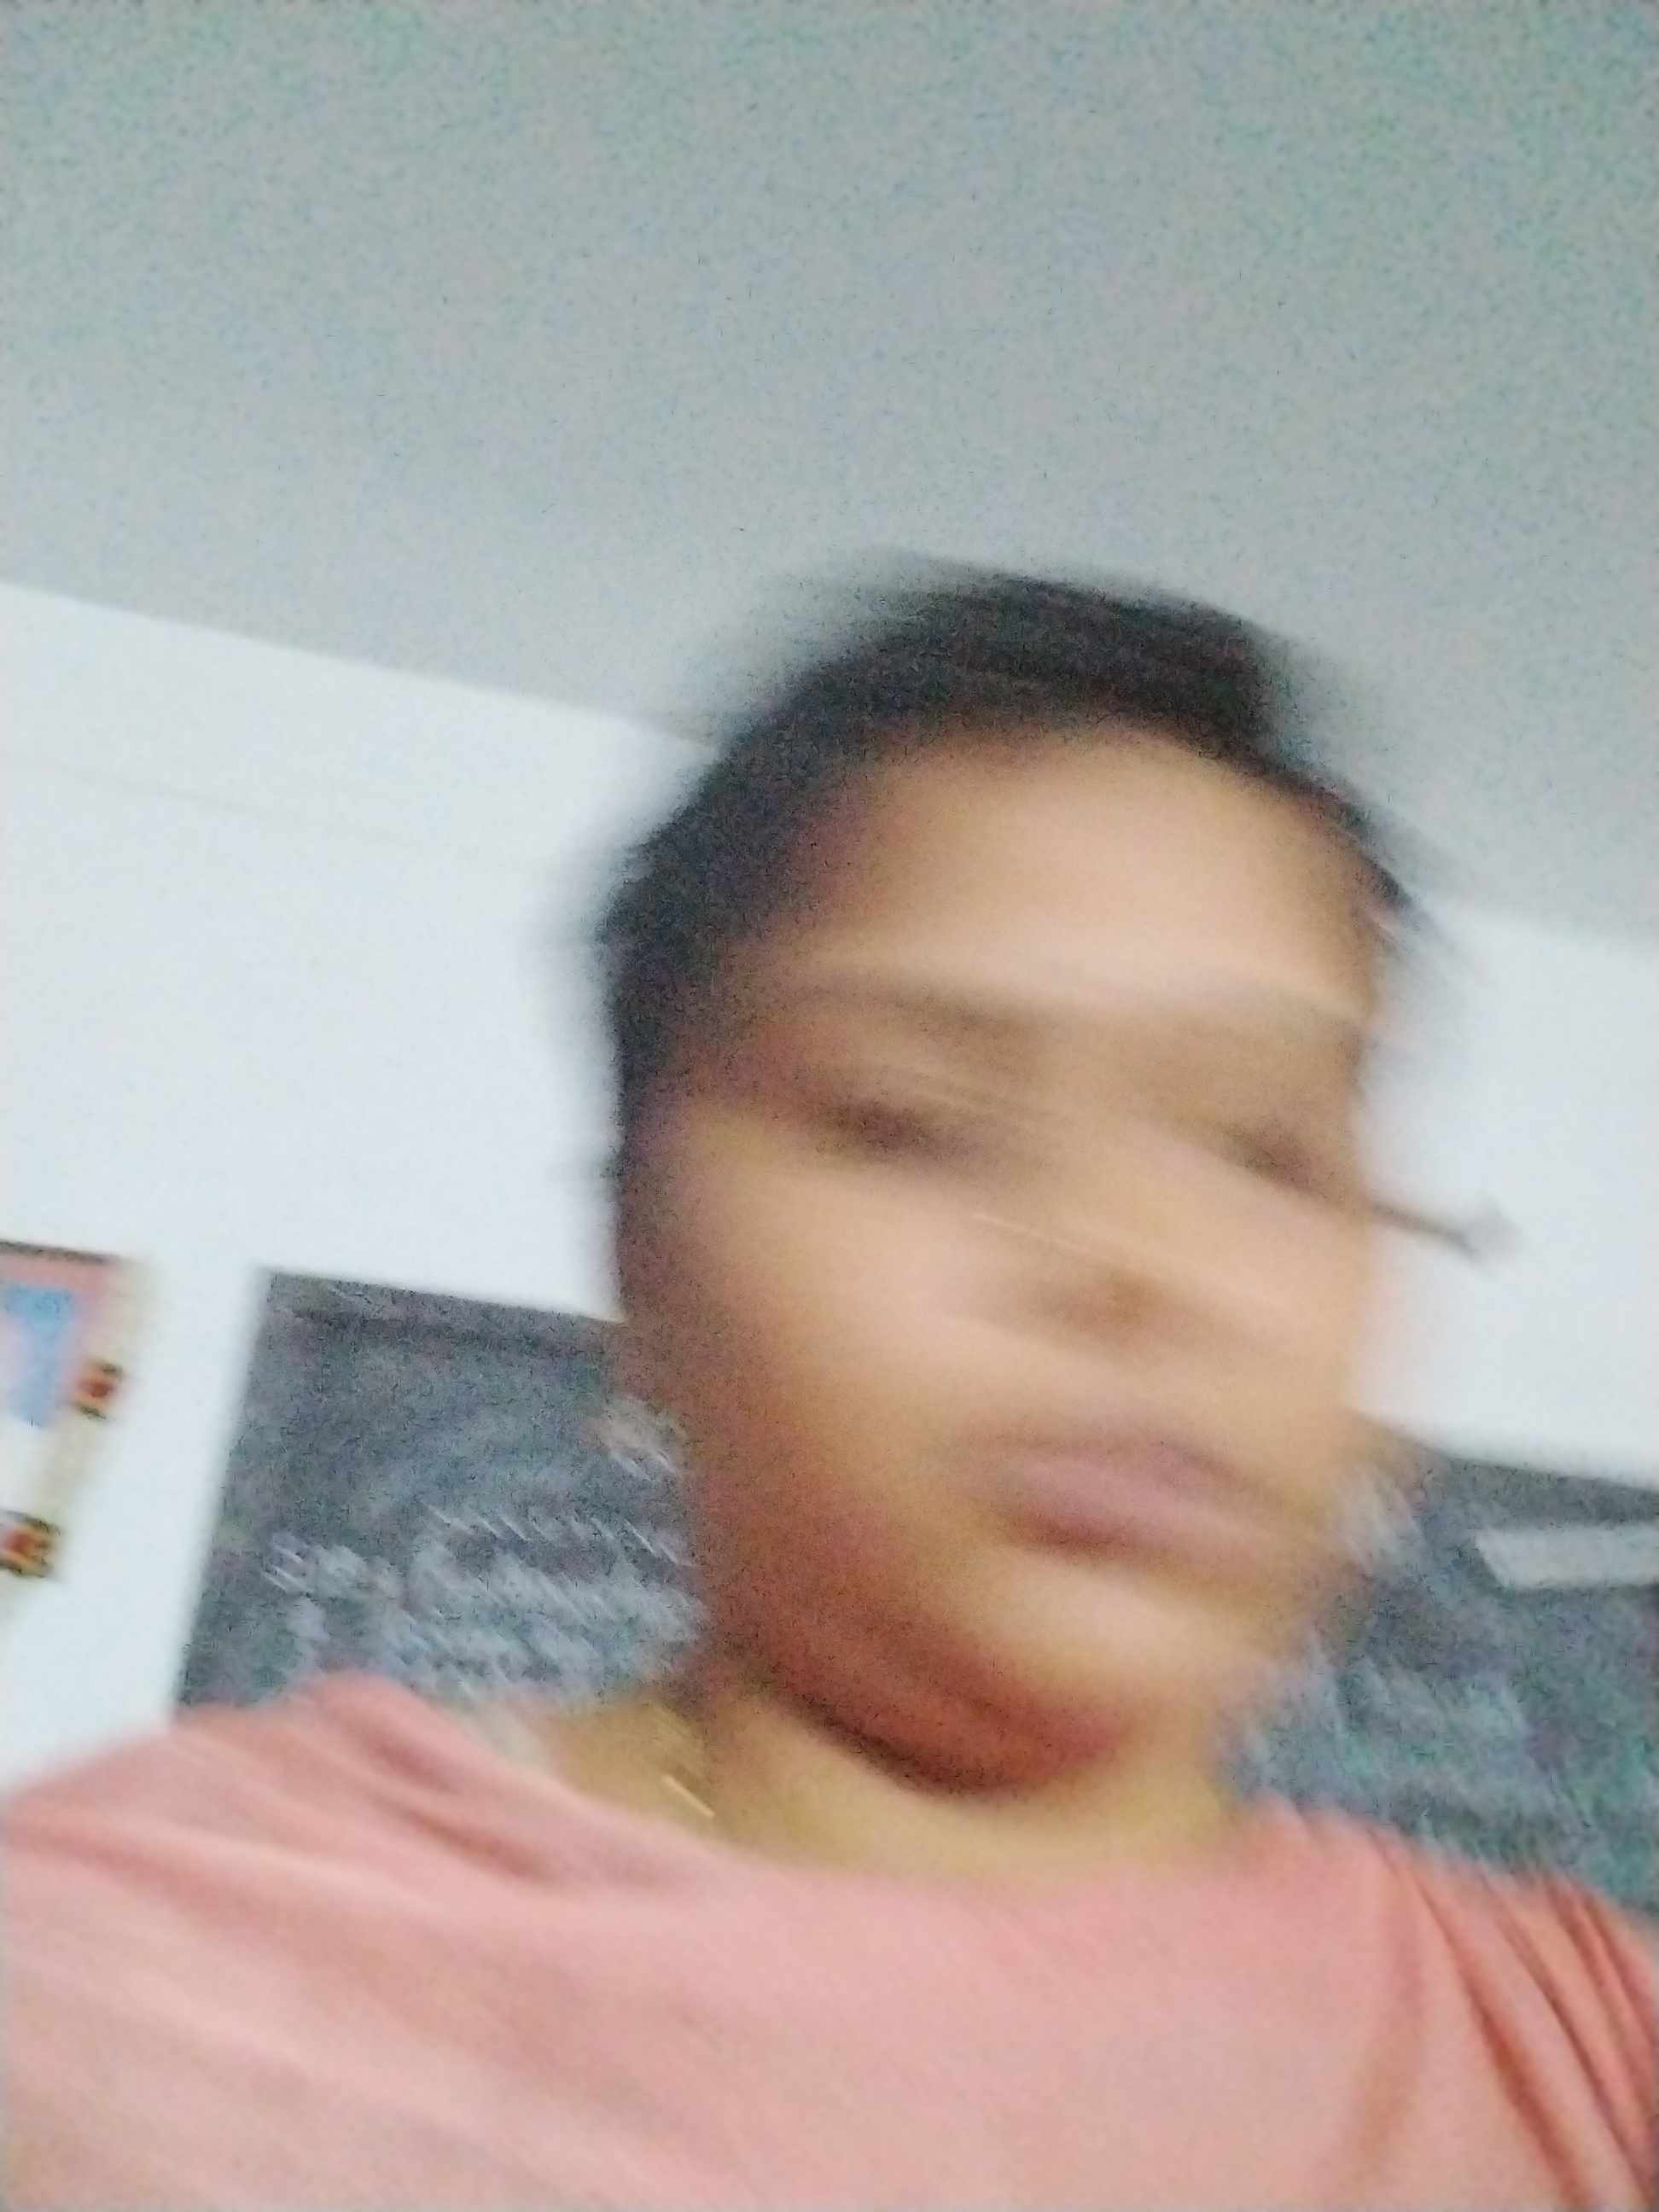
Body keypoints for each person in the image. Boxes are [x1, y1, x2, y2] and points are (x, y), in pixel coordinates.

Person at [7, 571, 1654, 2209]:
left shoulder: (1587, 2059)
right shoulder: (120, 1980)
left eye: (1268, 1150)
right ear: (640, 1263)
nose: (1139, 1265)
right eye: (907, 1120)